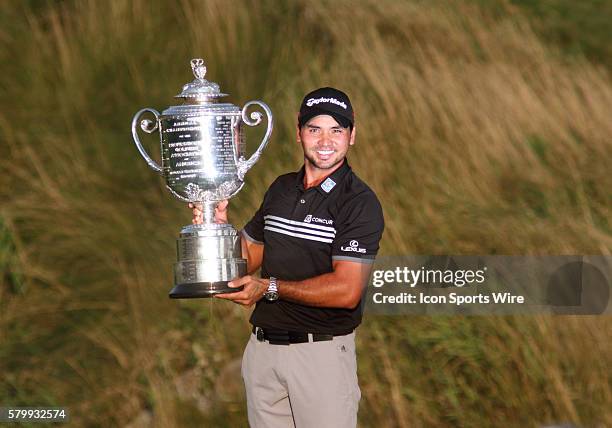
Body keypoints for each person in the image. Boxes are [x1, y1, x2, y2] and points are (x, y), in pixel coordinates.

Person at [190, 87, 384, 427]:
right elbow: (246, 259)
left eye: (336, 130)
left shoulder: (359, 203)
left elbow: (346, 290)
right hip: (263, 353)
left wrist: (269, 288)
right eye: (314, 129)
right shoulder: (281, 189)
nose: (325, 140)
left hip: (320, 356)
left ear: (352, 136)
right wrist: (216, 225)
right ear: (299, 133)